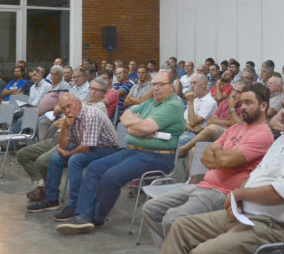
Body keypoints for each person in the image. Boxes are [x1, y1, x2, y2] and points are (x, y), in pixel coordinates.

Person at [158, 83, 284, 254]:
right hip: (246, 214)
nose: (283, 112)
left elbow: (278, 193)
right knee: (180, 227)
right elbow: (256, 174)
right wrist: (238, 199)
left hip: (271, 226)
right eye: (283, 106)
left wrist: (238, 194)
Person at [142, 83, 274, 248]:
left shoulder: (263, 135)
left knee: (172, 218)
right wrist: (221, 157)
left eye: (249, 103)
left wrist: (219, 155)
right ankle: (177, 250)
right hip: (202, 186)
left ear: (263, 106)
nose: (243, 107)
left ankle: (178, 250)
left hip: (222, 193)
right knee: (150, 209)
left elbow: (223, 160)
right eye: (242, 103)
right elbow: (205, 156)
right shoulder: (236, 127)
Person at [56, 71, 185, 234]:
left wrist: (139, 127)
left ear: (171, 86)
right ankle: (82, 214)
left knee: (112, 176)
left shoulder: (173, 105)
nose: (156, 88)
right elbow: (125, 116)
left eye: (161, 84)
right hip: (133, 150)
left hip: (157, 155)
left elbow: (145, 127)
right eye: (154, 84)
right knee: (95, 167)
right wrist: (139, 127)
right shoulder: (151, 102)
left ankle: (95, 218)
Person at [26, 93, 120, 221]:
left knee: (75, 160)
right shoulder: (71, 117)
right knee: (55, 158)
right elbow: (63, 146)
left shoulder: (91, 116)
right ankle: (51, 199)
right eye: (63, 108)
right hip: (89, 146)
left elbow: (85, 148)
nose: (67, 111)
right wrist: (65, 127)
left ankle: (74, 205)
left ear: (79, 104)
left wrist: (68, 154)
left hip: (108, 149)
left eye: (69, 106)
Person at [19, 78, 110, 203]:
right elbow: (61, 112)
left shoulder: (99, 107)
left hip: (71, 141)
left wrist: (66, 122)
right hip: (57, 136)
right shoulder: (82, 102)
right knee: (22, 154)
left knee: (42, 161)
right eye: (91, 88)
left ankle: (48, 192)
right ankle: (43, 185)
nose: (93, 92)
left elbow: (77, 126)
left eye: (97, 90)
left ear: (103, 93)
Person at [177, 74, 217, 148]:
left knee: (172, 142)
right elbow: (183, 120)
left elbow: (192, 122)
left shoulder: (210, 102)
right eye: (191, 83)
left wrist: (190, 102)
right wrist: (191, 128)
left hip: (195, 136)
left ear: (205, 84)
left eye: (195, 83)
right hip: (185, 131)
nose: (192, 86)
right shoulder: (194, 99)